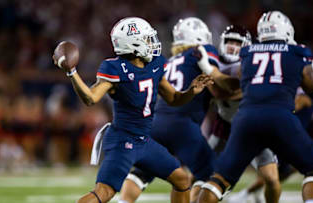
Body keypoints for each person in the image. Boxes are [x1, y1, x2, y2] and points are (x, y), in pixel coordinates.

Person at [53, 17, 212, 203]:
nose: (151, 43)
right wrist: (72, 72)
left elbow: (174, 99)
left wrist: (190, 91)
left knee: (182, 179)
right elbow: (90, 98)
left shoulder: (155, 65)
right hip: (123, 141)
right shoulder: (115, 68)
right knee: (104, 193)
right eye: (146, 39)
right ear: (133, 44)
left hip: (145, 141)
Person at [197, 11, 313, 203]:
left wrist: (212, 72)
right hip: (280, 117)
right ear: (287, 31)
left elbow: (239, 83)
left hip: (246, 119)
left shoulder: (248, 53)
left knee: (219, 179)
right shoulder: (298, 52)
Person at [118, 17, 219, 203]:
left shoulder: (170, 61)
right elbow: (216, 78)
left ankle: (122, 202)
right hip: (183, 124)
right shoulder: (202, 52)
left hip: (156, 124)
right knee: (212, 176)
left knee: (142, 172)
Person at [205, 25, 281, 203]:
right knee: (200, 172)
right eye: (229, 41)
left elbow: (227, 90)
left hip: (254, 128)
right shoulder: (214, 62)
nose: (232, 46)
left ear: (246, 45)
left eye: (237, 42)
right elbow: (217, 92)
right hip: (224, 126)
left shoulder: (253, 62)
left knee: (271, 179)